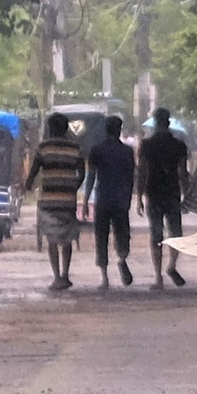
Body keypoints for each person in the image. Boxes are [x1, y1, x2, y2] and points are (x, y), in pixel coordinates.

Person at [30, 113, 84, 290]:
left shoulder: (43, 147)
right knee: (67, 239)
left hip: (48, 201)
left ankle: (56, 277)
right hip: (68, 201)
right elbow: (82, 173)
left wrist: (28, 186)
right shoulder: (75, 148)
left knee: (52, 240)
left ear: (50, 128)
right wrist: (73, 187)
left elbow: (33, 172)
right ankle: (65, 275)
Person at [139, 108, 190, 288]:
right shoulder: (179, 145)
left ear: (155, 122)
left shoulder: (146, 145)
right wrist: (187, 195)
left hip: (154, 192)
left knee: (156, 235)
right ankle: (172, 266)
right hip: (172, 192)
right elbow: (183, 173)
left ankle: (158, 277)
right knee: (175, 233)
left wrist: (139, 196)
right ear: (168, 122)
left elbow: (142, 172)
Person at [84, 112, 136, 288]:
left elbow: (91, 176)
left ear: (105, 130)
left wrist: (85, 201)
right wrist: (129, 198)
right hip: (121, 198)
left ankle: (105, 278)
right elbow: (131, 178)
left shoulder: (96, 150)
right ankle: (122, 258)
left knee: (101, 237)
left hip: (103, 198)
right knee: (122, 233)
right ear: (119, 130)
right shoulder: (127, 151)